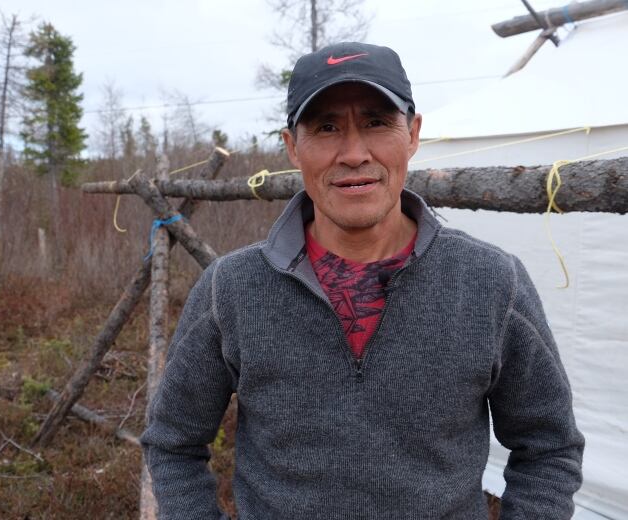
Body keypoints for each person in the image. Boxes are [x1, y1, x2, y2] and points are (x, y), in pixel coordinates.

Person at [141, 42, 584, 519]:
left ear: (412, 134)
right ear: (292, 147)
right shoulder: (231, 289)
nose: (354, 153)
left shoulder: (492, 283)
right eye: (326, 127)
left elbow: (549, 447)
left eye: (376, 122)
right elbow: (172, 442)